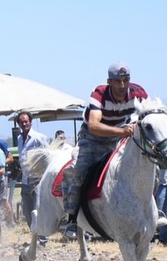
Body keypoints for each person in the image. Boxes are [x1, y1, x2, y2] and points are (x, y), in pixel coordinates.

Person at [62, 62, 150, 241]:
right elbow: (94, 126)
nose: (122, 85)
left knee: (147, 167)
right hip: (93, 140)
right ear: (109, 82)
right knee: (80, 173)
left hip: (119, 138)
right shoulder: (99, 94)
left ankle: (152, 211)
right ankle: (71, 218)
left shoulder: (138, 93)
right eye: (118, 81)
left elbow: (147, 114)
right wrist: (123, 131)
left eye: (126, 80)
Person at [14, 112, 48, 229]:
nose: (24, 124)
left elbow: (46, 156)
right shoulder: (19, 139)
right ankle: (34, 235)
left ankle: (42, 238)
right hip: (25, 180)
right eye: (22, 122)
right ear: (18, 124)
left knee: (37, 209)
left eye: (26, 121)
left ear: (30, 122)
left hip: (37, 179)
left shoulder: (39, 138)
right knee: (27, 210)